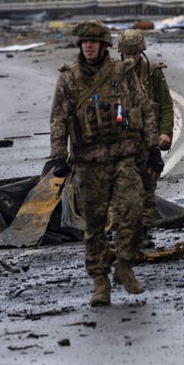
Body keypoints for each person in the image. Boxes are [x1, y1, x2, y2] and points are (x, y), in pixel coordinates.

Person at [49, 20, 163, 307]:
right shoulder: (68, 79)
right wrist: (58, 158)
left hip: (124, 156)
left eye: (94, 42)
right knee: (94, 226)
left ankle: (124, 264)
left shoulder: (122, 73)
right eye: (84, 42)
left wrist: (153, 150)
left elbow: (144, 110)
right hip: (89, 163)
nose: (88, 46)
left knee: (134, 211)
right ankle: (100, 281)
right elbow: (58, 120)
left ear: (104, 45)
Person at [116, 29, 174, 233]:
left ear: (141, 51)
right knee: (123, 190)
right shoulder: (112, 74)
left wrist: (166, 132)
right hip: (122, 142)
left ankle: (144, 232)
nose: (131, 58)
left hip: (148, 141)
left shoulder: (153, 73)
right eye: (127, 54)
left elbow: (166, 105)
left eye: (135, 54)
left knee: (148, 189)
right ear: (120, 53)